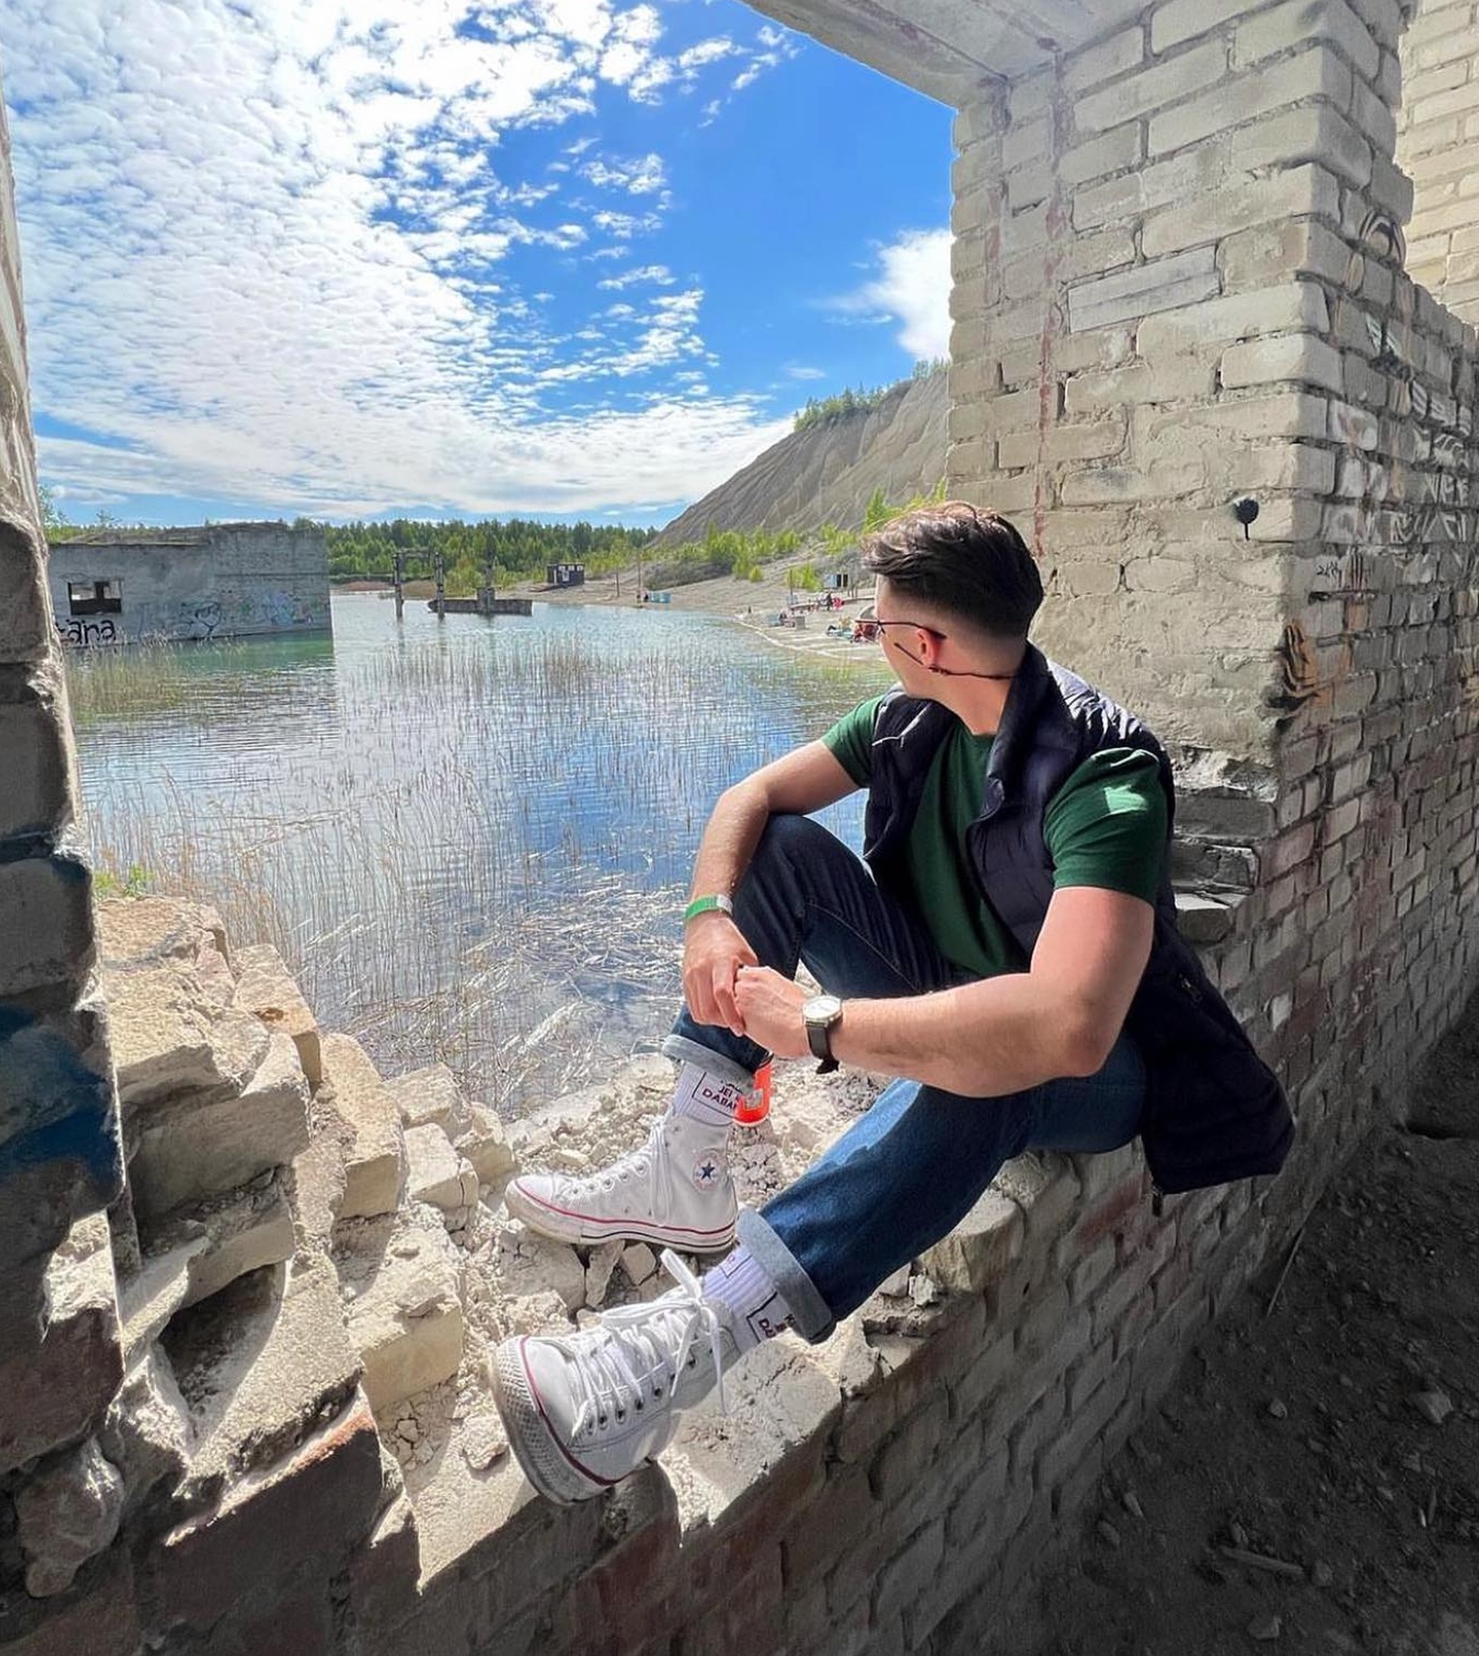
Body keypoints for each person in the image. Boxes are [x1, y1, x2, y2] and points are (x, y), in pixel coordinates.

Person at [489, 504, 1293, 1505]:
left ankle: (691, 1346)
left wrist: (816, 1027)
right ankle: (684, 1169)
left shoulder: (1102, 773)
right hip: (945, 983)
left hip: (1109, 1068)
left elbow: (1064, 1026)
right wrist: (705, 918)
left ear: (925, 643)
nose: (868, 636)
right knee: (781, 850)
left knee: (992, 1068)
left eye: (875, 623)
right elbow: (748, 800)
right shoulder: (908, 722)